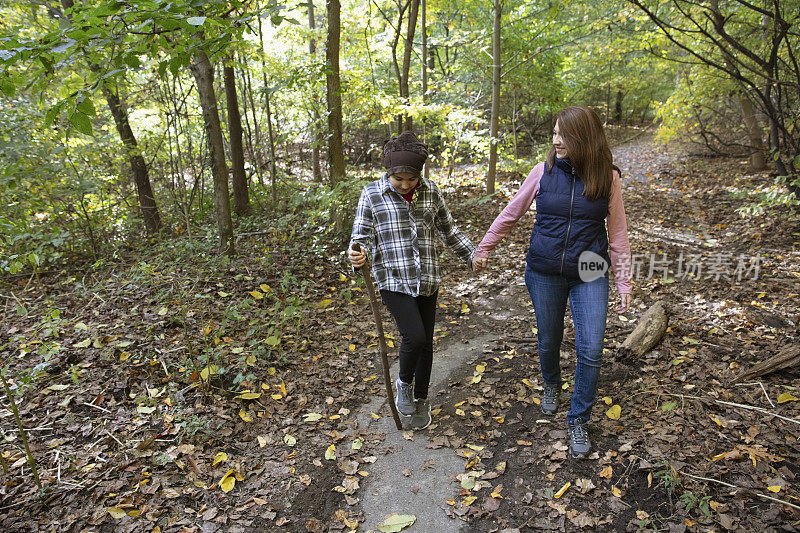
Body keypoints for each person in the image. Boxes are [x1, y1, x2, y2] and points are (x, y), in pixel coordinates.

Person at [472, 106, 632, 458]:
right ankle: (551, 384)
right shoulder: (542, 172)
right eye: (555, 133)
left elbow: (617, 233)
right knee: (549, 339)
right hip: (544, 270)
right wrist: (485, 247)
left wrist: (624, 282)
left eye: (564, 134)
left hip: (590, 269)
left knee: (590, 349)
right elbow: (511, 212)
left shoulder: (608, 177)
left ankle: (578, 418)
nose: (556, 140)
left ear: (584, 138)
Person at [349, 131, 476, 430]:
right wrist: (357, 255)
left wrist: (471, 255)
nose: (406, 184)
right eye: (399, 179)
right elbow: (361, 235)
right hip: (392, 278)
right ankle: (404, 383)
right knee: (415, 336)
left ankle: (422, 399)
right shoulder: (372, 194)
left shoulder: (431, 191)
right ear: (388, 173)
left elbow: (449, 229)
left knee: (426, 344)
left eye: (411, 179)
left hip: (427, 278)